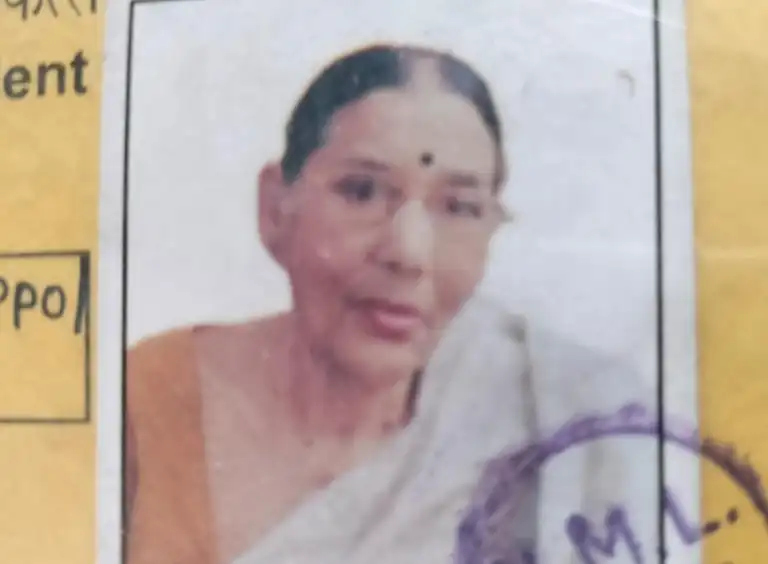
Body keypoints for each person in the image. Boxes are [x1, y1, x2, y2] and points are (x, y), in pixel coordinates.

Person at [125, 43, 650, 564]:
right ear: (275, 207)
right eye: (362, 191)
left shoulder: (558, 417)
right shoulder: (147, 399)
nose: (409, 253)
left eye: (459, 207)